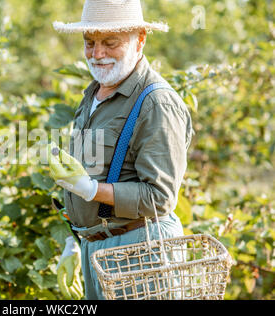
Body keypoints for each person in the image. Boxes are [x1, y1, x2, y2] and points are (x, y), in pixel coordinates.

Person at [48, 0, 195, 299]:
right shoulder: (94, 93)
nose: (97, 53)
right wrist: (75, 242)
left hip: (141, 255)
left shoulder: (157, 103)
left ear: (140, 39)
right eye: (90, 42)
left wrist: (91, 190)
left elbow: (160, 198)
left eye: (110, 42)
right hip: (97, 251)